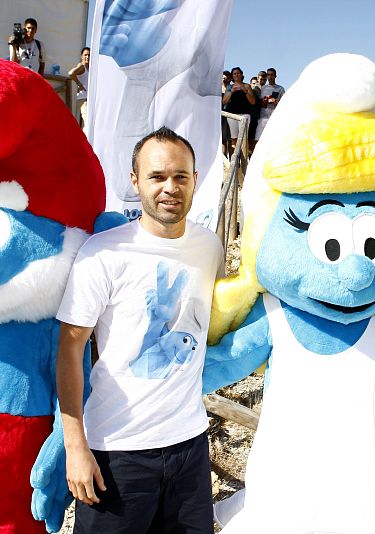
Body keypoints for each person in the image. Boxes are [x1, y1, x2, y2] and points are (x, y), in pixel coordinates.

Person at [56, 127, 224, 533]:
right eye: (157, 176)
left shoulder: (210, 247)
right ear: (135, 181)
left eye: (180, 176)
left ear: (195, 180)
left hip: (189, 446)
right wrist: (75, 446)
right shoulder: (103, 253)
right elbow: (70, 348)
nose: (170, 187)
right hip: (117, 451)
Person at [222, 66, 255, 157]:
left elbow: (253, 102)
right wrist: (231, 92)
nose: (236, 75)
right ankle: (234, 161)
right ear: (232, 76)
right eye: (234, 74)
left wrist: (245, 91)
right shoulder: (229, 87)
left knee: (244, 139)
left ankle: (244, 161)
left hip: (244, 115)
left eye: (238, 73)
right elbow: (224, 101)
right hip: (232, 115)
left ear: (241, 74)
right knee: (234, 139)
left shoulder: (247, 86)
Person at [254, 67, 285, 141]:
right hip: (263, 117)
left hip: (275, 118)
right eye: (268, 75)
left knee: (273, 140)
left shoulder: (280, 89)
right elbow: (259, 103)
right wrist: (264, 101)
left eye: (272, 75)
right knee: (258, 140)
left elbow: (285, 104)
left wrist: (276, 102)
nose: (270, 77)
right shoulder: (263, 88)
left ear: (275, 76)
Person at [68, 47, 91, 131]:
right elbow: (71, 73)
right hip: (83, 99)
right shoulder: (82, 66)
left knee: (85, 124)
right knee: (88, 123)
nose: (87, 57)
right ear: (82, 56)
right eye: (85, 55)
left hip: (88, 99)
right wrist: (79, 84)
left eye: (89, 55)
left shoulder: (90, 68)